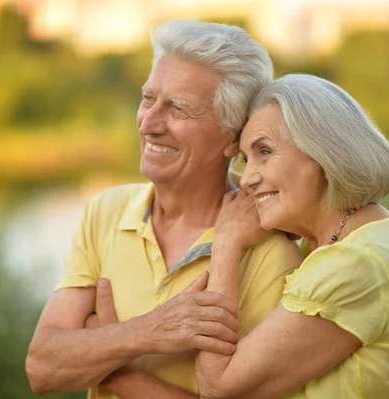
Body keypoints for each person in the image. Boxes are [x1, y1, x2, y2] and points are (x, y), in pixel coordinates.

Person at [25, 20, 303, 399]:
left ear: (232, 137)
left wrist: (112, 366)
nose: (149, 124)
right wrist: (149, 330)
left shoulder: (272, 255)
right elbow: (42, 367)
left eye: (179, 108)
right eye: (147, 98)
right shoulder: (106, 211)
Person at [189, 74, 389, 398]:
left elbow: (218, 387)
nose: (248, 178)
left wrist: (226, 241)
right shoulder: (370, 235)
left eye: (264, 151)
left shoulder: (355, 264)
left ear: (323, 153)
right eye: (245, 159)